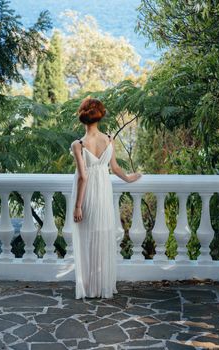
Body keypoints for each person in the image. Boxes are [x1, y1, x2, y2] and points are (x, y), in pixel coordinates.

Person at [70, 97, 141, 299]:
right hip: (103, 193)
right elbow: (116, 168)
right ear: (99, 116)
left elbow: (83, 176)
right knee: (102, 234)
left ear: (82, 118)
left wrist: (77, 206)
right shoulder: (109, 139)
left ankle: (89, 287)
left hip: (87, 195)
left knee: (86, 237)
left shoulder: (79, 144)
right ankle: (102, 286)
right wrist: (129, 178)